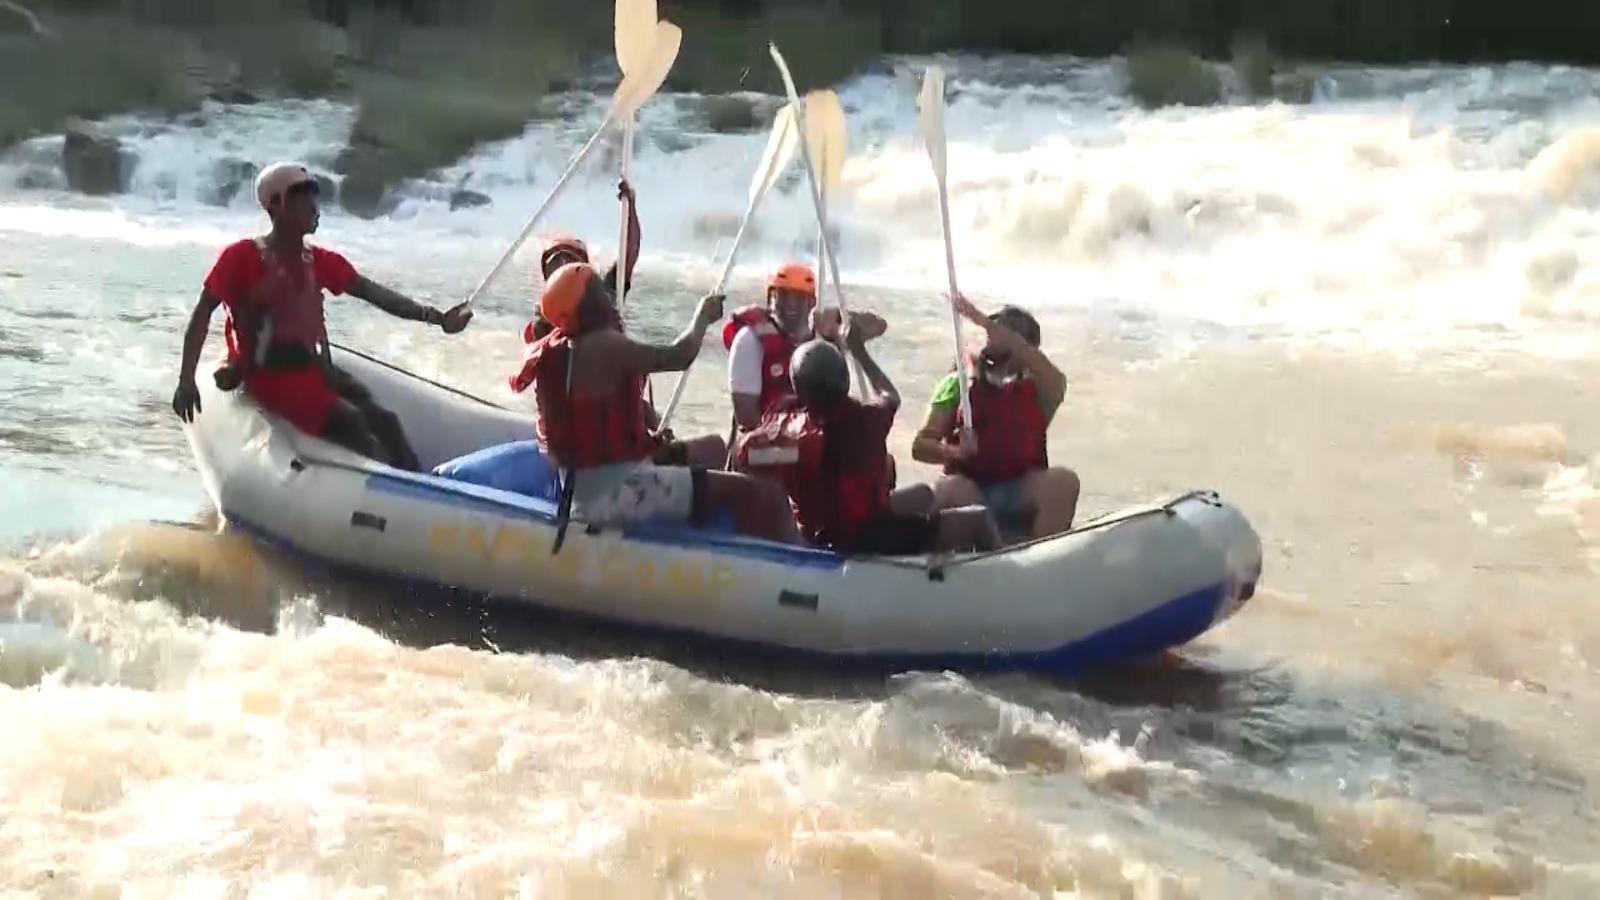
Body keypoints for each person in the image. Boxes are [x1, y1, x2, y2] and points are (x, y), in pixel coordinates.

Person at [171, 161, 471, 470]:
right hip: (271, 376)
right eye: (305, 198)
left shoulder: (317, 260)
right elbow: (202, 313)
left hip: (312, 369)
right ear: (277, 205)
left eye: (315, 197)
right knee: (352, 423)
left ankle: (420, 483)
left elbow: (372, 292)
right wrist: (186, 380)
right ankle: (390, 488)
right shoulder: (241, 257)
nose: (315, 207)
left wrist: (435, 318)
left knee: (386, 421)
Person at [510, 262, 800, 543]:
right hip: (616, 493)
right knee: (762, 493)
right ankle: (776, 561)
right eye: (598, 289)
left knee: (714, 447)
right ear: (586, 305)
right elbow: (679, 355)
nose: (607, 296)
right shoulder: (605, 345)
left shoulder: (562, 348)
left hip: (594, 481)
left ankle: (706, 525)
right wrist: (701, 318)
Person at [736, 321, 1001, 556]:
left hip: (818, 531)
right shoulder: (867, 420)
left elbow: (745, 454)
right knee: (978, 518)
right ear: (844, 379)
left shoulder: (790, 433)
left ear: (799, 389)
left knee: (923, 495)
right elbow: (890, 395)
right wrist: (859, 350)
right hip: (866, 536)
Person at [911, 296, 1081, 541]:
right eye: (992, 330)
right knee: (951, 489)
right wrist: (955, 452)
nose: (991, 335)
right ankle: (983, 555)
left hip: (1020, 489)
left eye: (1000, 331)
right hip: (972, 487)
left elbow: (1054, 375)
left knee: (1064, 482)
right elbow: (920, 446)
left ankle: (1037, 559)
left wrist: (987, 323)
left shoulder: (1044, 388)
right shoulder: (957, 383)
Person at [724, 262, 900, 488]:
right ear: (770, 298)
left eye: (799, 296)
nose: (790, 303)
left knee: (882, 462)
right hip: (771, 442)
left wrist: (843, 318)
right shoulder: (750, 339)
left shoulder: (823, 337)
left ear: (811, 302)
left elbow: (879, 326)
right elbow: (747, 418)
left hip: (815, 439)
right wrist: (796, 444)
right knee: (750, 455)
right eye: (782, 295)